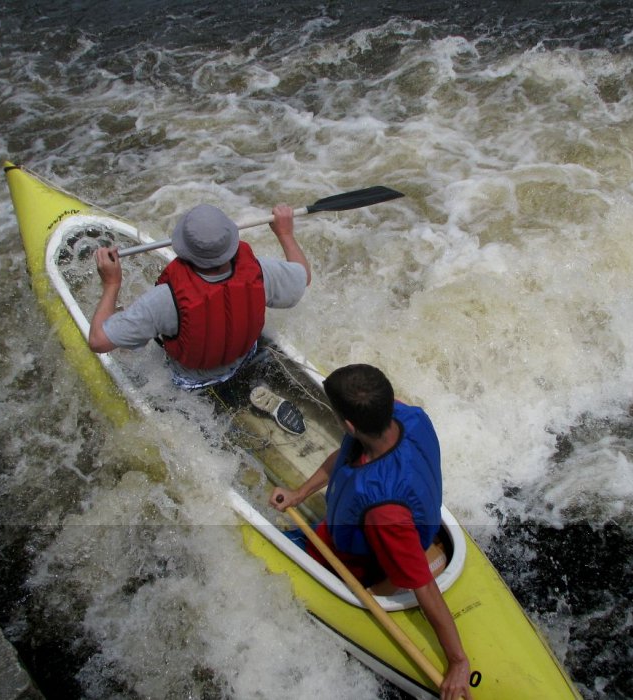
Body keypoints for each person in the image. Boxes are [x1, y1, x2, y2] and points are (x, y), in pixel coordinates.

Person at [269, 364, 473, 700]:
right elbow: (345, 456)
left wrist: (458, 661)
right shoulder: (412, 418)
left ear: (349, 424)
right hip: (402, 527)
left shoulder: (384, 512)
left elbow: (423, 586)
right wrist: (299, 494)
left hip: (358, 559)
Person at [88, 203, 310, 390]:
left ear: (183, 249)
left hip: (191, 380)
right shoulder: (261, 272)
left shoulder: (165, 300)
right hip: (246, 356)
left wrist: (112, 283)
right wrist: (285, 234)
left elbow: (98, 342)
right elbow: (304, 276)